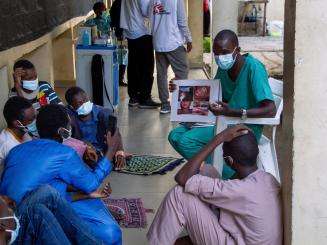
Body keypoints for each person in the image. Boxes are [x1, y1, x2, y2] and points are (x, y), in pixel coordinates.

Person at [0, 104, 122, 244]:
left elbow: (46, 184)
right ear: (62, 131)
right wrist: (111, 150)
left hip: (8, 214)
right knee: (111, 233)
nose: (71, 129)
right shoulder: (64, 153)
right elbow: (91, 184)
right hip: (23, 221)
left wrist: (84, 193)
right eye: (69, 125)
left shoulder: (17, 150)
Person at [147, 125, 282, 245]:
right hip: (244, 236)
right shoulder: (269, 179)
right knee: (207, 170)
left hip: (237, 239)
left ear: (229, 161)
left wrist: (218, 139)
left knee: (179, 195)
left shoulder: (238, 190)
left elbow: (182, 177)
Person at [168, 29, 276, 179]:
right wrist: (180, 88)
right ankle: (222, 170)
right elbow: (213, 94)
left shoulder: (253, 68)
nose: (220, 57)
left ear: (237, 50)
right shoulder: (224, 69)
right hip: (224, 121)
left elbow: (270, 109)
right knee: (175, 135)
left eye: (224, 52)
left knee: (187, 141)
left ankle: (228, 175)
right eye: (216, 53)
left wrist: (235, 112)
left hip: (244, 126)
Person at [0, 185, 102, 244]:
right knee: (38, 213)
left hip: (7, 220)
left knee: (47, 192)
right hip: (7, 234)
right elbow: (90, 181)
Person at [65, 86, 127, 170]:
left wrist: (120, 152)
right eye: (80, 103)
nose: (85, 104)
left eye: (86, 100)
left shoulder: (104, 113)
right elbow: (68, 140)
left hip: (104, 151)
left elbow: (115, 132)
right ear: (71, 107)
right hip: (83, 152)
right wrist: (85, 146)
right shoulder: (69, 116)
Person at [149, 0, 193, 113]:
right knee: (182, 71)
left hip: (158, 41)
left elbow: (149, 16)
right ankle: (182, 104)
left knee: (161, 74)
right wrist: (189, 39)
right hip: (173, 42)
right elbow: (181, 21)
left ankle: (165, 105)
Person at [120, 0, 160, 109]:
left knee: (133, 65)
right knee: (147, 67)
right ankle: (145, 98)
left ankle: (133, 97)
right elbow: (146, 11)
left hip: (130, 30)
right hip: (142, 31)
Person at [0, 97, 35, 170]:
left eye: (35, 117)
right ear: (17, 123)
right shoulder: (8, 146)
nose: (35, 121)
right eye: (30, 120)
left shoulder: (24, 133)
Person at [110, 0, 128, 87]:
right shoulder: (120, 3)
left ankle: (119, 78)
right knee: (122, 58)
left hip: (120, 34)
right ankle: (119, 79)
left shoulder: (117, 3)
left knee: (122, 58)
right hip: (120, 35)